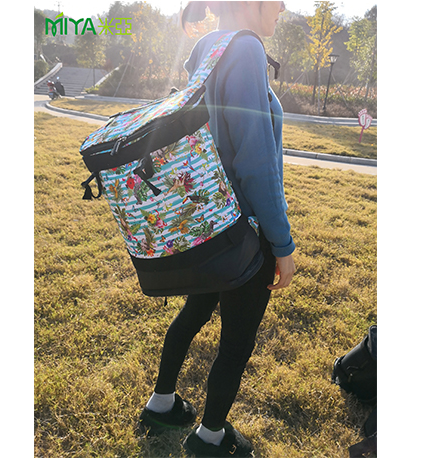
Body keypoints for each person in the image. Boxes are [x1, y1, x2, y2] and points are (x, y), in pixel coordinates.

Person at [139, 2, 295, 456]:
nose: (283, 7)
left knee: (194, 312)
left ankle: (161, 404)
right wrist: (281, 244)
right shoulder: (245, 50)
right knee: (236, 342)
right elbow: (256, 162)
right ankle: (210, 437)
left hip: (206, 224)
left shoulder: (208, 47)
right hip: (241, 231)